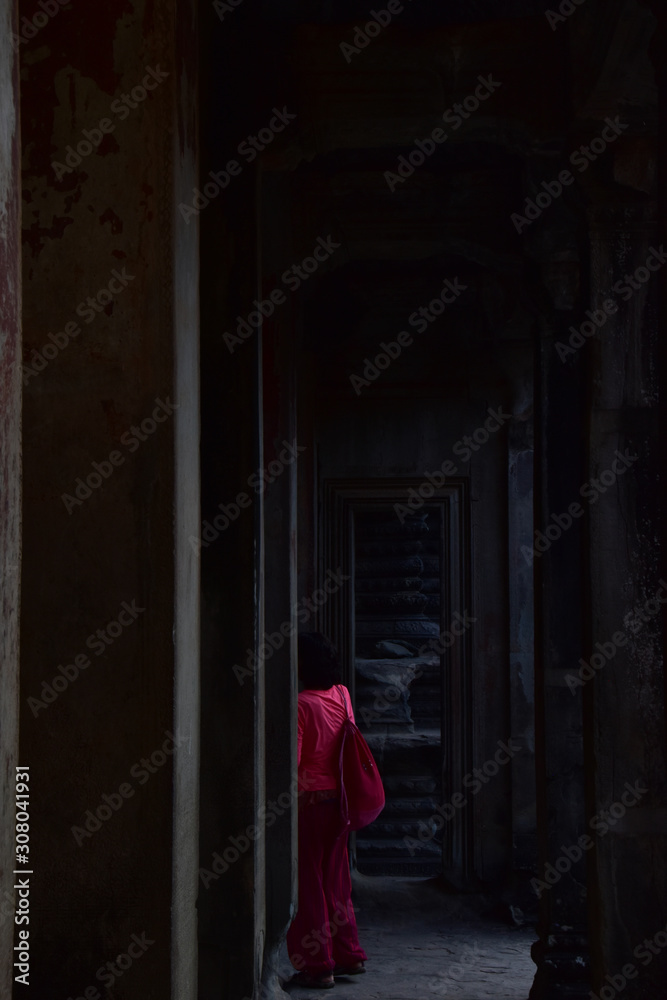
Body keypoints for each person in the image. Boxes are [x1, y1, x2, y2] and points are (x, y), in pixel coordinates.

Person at [287, 632, 368, 989]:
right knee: (336, 882)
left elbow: (296, 759)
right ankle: (348, 955)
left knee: (310, 884)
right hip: (340, 803)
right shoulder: (342, 695)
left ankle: (319, 965)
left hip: (311, 802)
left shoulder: (302, 704)